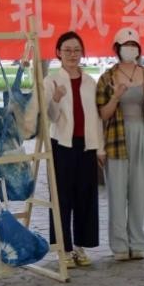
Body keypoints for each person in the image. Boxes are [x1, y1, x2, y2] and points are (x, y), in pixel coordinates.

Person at [96, 28, 144, 261]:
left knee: (139, 192)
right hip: (116, 139)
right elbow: (103, 114)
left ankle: (138, 242)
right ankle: (119, 246)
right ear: (117, 49)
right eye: (126, 45)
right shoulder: (107, 77)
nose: (130, 49)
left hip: (143, 136)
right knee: (116, 194)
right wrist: (116, 96)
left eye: (134, 45)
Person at [44, 31, 104, 268]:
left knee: (85, 197)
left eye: (76, 50)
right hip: (62, 146)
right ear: (58, 53)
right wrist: (56, 99)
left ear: (83, 53)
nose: (72, 54)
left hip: (87, 146)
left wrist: (100, 148)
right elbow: (50, 117)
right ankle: (64, 249)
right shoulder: (51, 81)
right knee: (62, 197)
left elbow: (96, 118)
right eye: (67, 50)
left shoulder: (90, 81)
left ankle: (80, 246)